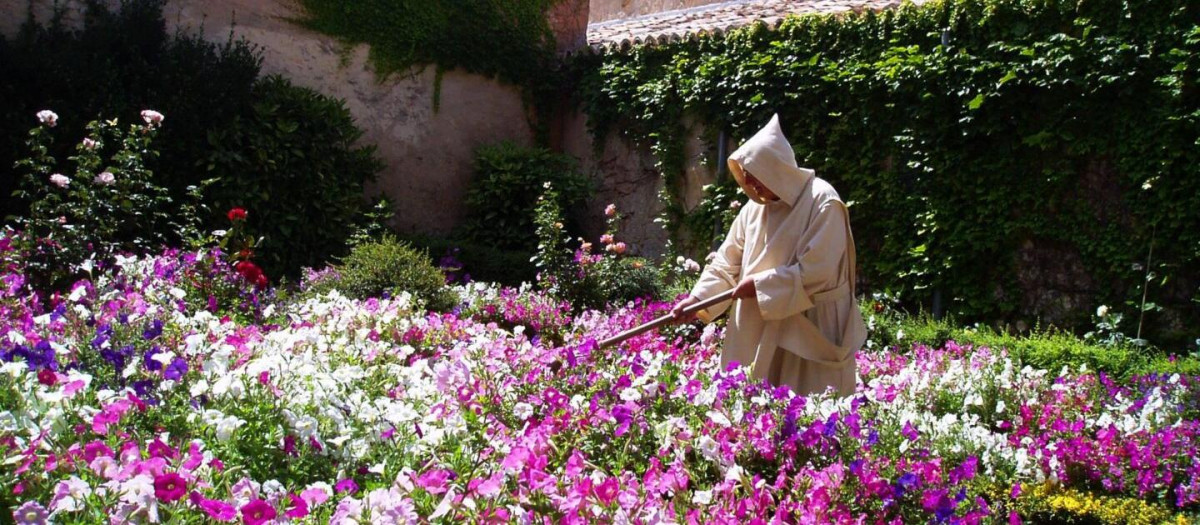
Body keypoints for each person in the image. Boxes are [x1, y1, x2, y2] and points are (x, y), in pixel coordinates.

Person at [671, 114, 866, 397]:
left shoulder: (823, 201)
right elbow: (727, 261)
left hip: (811, 326)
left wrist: (760, 286)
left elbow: (817, 271)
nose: (751, 186)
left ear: (775, 169)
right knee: (757, 419)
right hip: (760, 323)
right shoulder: (753, 209)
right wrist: (697, 299)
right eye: (747, 180)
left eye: (756, 177)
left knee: (812, 413)